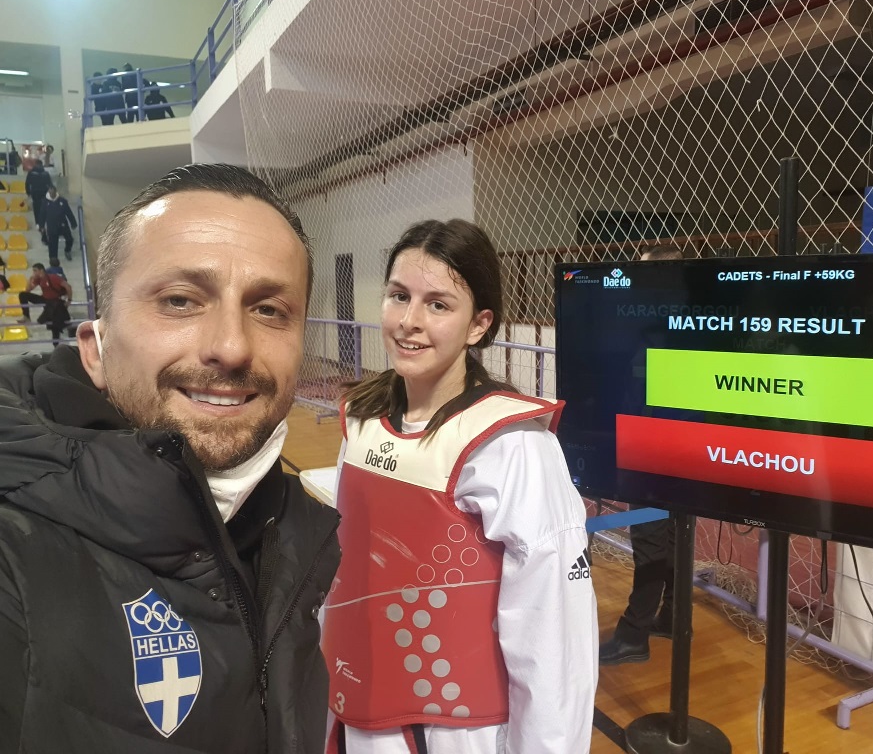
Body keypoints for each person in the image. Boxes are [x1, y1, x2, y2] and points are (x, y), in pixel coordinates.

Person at [0, 163, 341, 752]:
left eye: (269, 310)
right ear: (95, 349)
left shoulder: (288, 528)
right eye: (180, 301)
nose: (232, 347)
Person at [323, 219, 598, 754]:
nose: (409, 321)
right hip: (349, 699)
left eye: (438, 304)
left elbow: (552, 632)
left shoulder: (512, 444)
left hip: (451, 727)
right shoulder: (361, 417)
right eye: (399, 296)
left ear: (478, 324)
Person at [598, 242, 684, 666]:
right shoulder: (660, 329)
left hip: (656, 449)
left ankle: (634, 635)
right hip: (665, 445)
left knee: (652, 538)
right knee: (671, 535)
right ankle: (672, 616)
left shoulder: (664, 332)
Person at [42, 185, 78, 261]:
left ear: (56, 192)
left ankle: (67, 250)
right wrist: (41, 226)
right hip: (52, 227)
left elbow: (69, 213)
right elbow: (42, 215)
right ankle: (53, 258)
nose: (51, 194)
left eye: (53, 192)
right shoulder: (45, 202)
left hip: (63, 225)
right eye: (50, 193)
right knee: (53, 244)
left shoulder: (63, 201)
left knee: (69, 239)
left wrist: (73, 223)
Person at [25, 161, 53, 230]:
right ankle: (43, 223)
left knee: (36, 208)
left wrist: (28, 193)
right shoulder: (46, 173)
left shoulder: (31, 173)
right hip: (44, 193)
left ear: (35, 165)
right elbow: (50, 184)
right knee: (44, 208)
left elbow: (27, 184)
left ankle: (38, 223)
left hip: (35, 193)